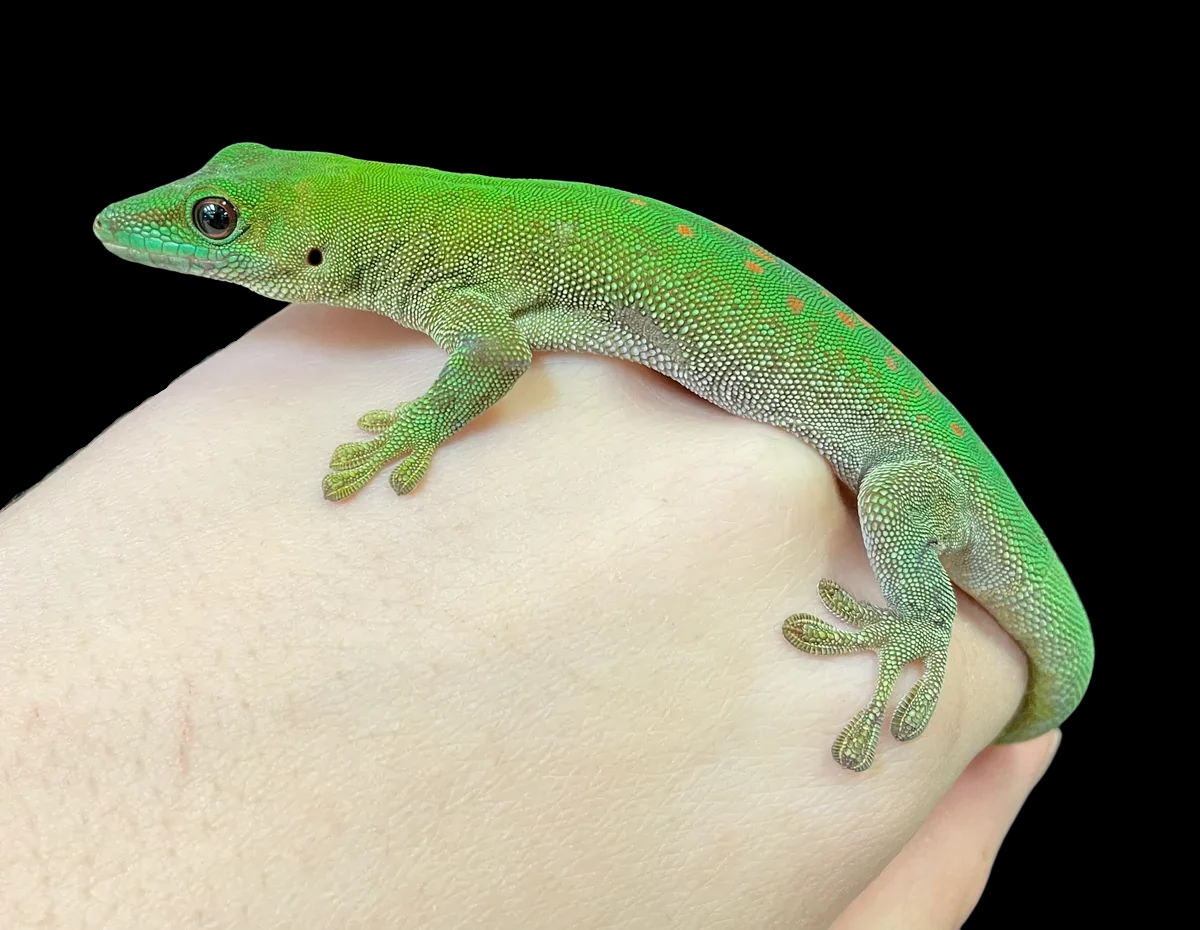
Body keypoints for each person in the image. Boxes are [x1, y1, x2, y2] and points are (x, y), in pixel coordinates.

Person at [0, 306, 1058, 928]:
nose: (166, 226)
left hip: (934, 496)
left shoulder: (468, 287)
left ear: (323, 258)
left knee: (896, 501)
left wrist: (421, 421)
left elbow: (497, 357)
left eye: (217, 223)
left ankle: (914, 624)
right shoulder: (452, 269)